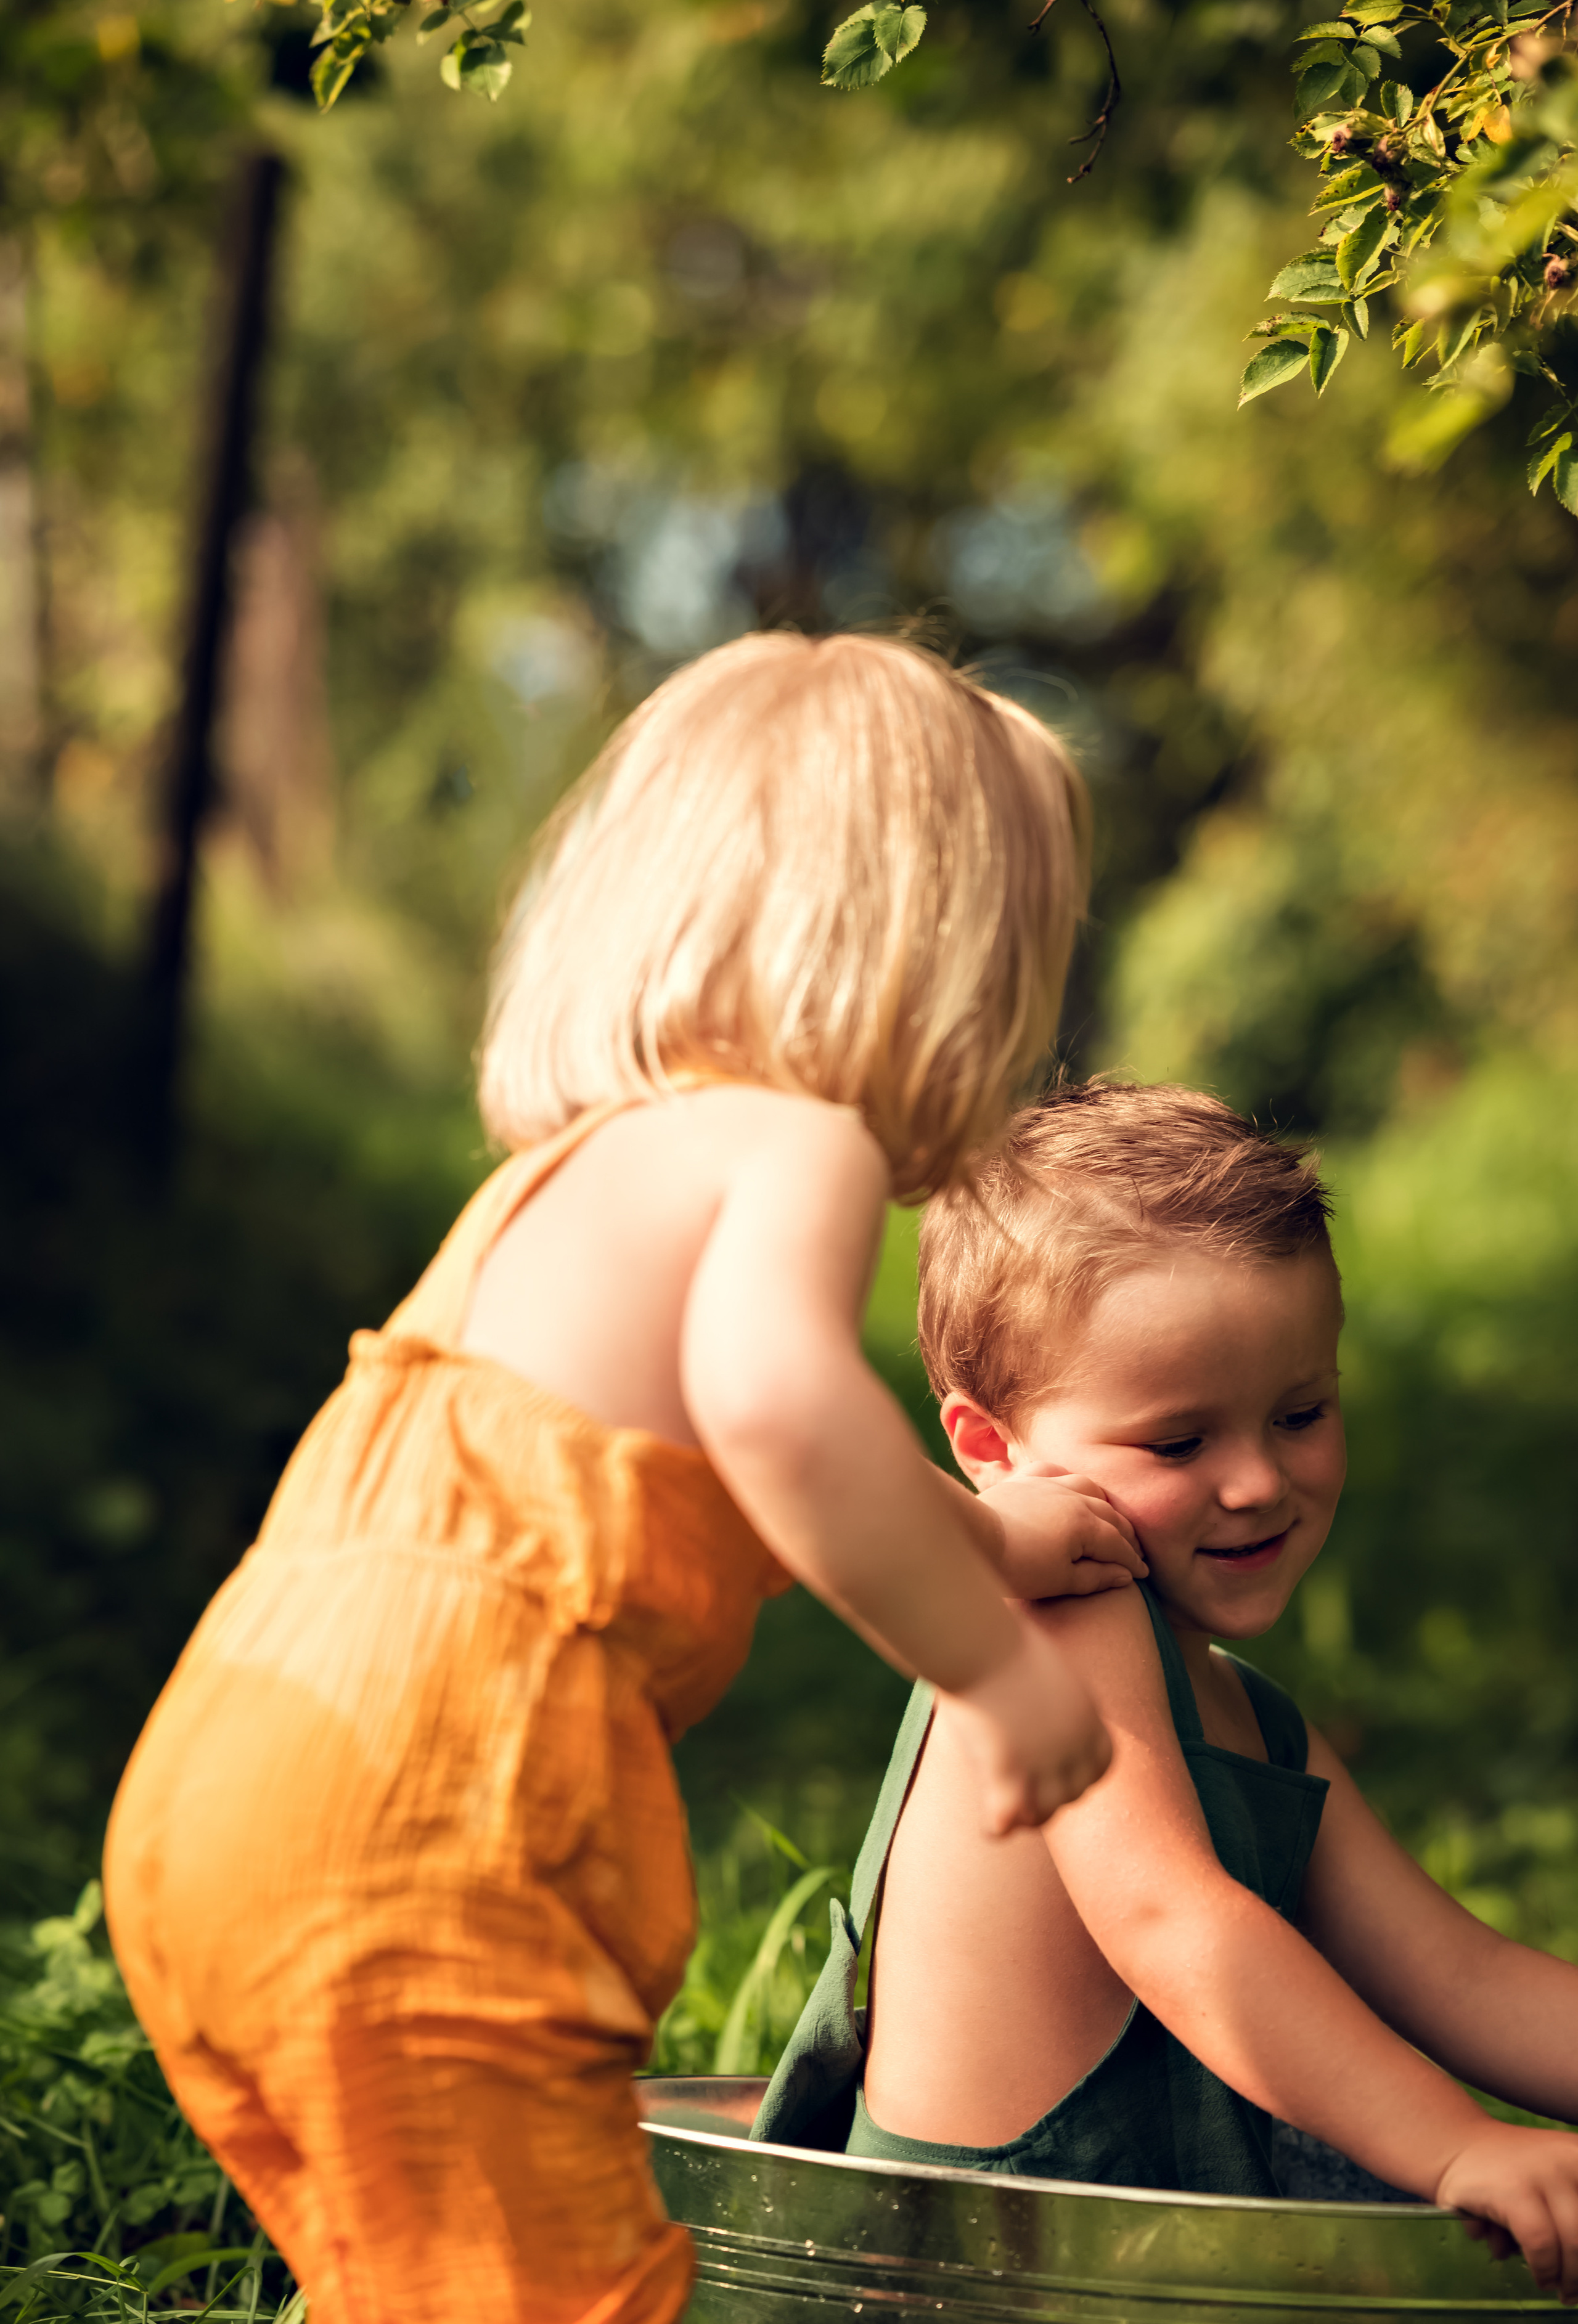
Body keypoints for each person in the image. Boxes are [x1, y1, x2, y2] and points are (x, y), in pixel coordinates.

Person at [102, 634, 1129, 2324]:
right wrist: (993, 1668)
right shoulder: (799, 1143)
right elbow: (783, 1410)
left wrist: (997, 1540)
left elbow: (737, 1467)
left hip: (231, 1800)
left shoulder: (566, 1187)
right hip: (435, 1830)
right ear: (934, 952)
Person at [758, 1079, 1578, 2306]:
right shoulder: (1055, 1624)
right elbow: (1172, 1924)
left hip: (1148, 2268)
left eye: (1299, 1414)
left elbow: (1455, 1977)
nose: (1254, 1483)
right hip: (987, 2281)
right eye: (1177, 1443)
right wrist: (1457, 2145)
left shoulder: (1248, 1717)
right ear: (991, 1453)